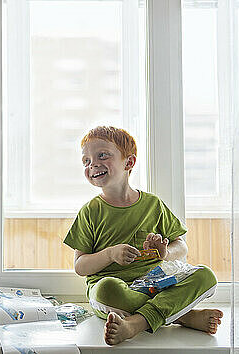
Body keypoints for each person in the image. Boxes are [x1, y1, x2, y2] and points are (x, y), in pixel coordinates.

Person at [63, 126, 223, 346]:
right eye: (86, 161)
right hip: (117, 290)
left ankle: (135, 324)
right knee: (105, 289)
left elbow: (181, 247)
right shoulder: (90, 212)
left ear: (128, 163)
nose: (93, 164)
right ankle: (183, 315)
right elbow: (81, 266)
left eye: (102, 155)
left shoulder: (153, 205)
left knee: (206, 276)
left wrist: (165, 253)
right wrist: (109, 254)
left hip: (155, 283)